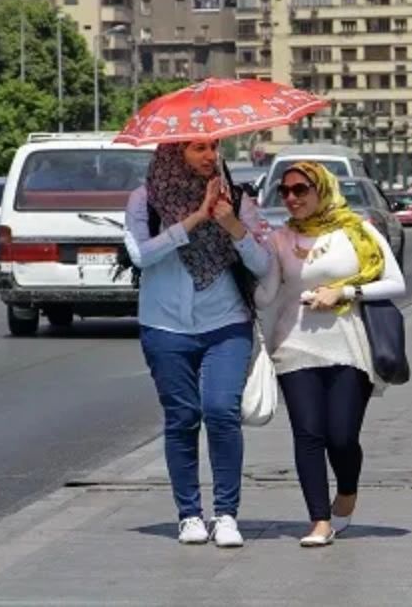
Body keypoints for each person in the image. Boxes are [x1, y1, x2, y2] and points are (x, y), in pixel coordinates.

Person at [124, 141, 270, 548]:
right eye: (198, 148)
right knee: (182, 418)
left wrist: (231, 226)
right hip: (164, 327)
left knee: (221, 412)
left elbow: (263, 264)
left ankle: (226, 514)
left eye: (214, 147)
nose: (210, 156)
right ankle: (189, 514)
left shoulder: (236, 198)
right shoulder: (144, 200)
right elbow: (141, 255)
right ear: (175, 153)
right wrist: (193, 220)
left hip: (226, 324)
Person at [255, 162, 406, 547]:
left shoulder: (358, 231)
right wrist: (244, 246)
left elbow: (395, 282)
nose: (291, 198)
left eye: (300, 189)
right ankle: (319, 521)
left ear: (321, 189)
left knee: (341, 436)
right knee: (307, 434)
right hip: (293, 346)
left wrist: (345, 292)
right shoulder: (279, 239)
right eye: (284, 191)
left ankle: (349, 488)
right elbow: (266, 296)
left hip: (349, 345)